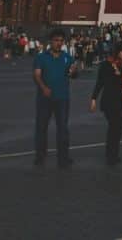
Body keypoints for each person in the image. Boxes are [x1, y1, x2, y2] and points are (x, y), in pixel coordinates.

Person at [90, 42, 122, 165]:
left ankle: (114, 153)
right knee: (114, 127)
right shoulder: (106, 65)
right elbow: (99, 83)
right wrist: (93, 98)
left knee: (118, 129)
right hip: (109, 101)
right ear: (116, 51)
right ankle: (110, 155)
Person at [33, 28, 78, 167]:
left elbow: (74, 74)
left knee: (63, 128)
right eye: (56, 41)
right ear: (50, 42)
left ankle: (63, 157)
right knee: (41, 127)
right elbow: (37, 75)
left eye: (61, 41)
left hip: (62, 98)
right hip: (44, 98)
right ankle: (40, 155)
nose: (59, 43)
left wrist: (74, 71)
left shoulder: (67, 57)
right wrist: (43, 87)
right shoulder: (41, 57)